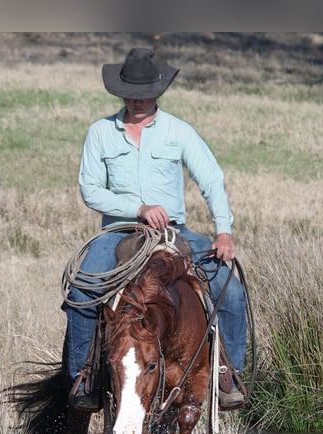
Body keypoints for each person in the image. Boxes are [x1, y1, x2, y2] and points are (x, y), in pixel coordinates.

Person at [64, 47, 247, 411]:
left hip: (172, 233)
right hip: (118, 232)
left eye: (145, 92)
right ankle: (82, 379)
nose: (137, 100)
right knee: (82, 294)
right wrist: (139, 208)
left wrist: (223, 230)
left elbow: (210, 178)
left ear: (158, 91)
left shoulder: (178, 131)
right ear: (120, 91)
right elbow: (90, 190)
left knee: (233, 294)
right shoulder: (101, 132)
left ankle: (227, 374)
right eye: (130, 91)